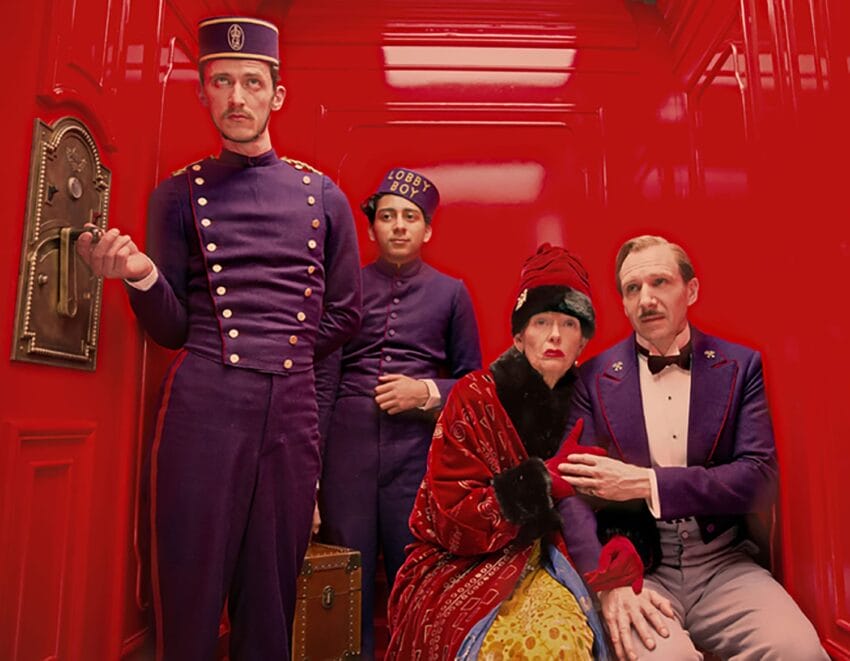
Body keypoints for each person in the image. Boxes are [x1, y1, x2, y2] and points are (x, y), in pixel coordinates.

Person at [76, 16, 362, 660]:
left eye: (251, 82)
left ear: (276, 94)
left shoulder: (326, 197)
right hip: (203, 403)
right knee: (190, 589)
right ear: (203, 92)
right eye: (221, 81)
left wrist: (277, 355)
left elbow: (345, 315)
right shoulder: (176, 196)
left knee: (271, 595)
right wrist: (140, 274)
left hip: (291, 412)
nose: (237, 97)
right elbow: (173, 328)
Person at [558, 234, 827, 660]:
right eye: (633, 289)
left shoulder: (740, 365)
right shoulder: (591, 378)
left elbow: (759, 479)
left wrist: (648, 484)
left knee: (800, 651)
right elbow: (571, 491)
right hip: (641, 568)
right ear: (624, 304)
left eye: (660, 282)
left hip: (725, 565)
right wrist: (606, 584)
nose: (647, 299)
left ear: (691, 290)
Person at [386, 244, 649, 660]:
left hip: (556, 558)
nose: (555, 335)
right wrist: (539, 483)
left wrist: (620, 542)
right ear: (519, 333)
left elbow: (619, 493)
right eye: (541, 321)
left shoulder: (599, 399)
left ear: (584, 340)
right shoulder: (474, 397)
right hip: (462, 565)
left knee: (558, 642)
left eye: (569, 323)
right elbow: (453, 516)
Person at [316, 167, 482, 657]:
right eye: (387, 216)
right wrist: (314, 471)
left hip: (418, 460)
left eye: (410, 217)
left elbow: (475, 389)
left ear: (427, 229)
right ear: (371, 229)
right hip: (347, 454)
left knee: (415, 582)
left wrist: (425, 391)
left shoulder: (452, 293)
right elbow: (322, 381)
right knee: (348, 580)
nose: (399, 225)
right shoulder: (343, 287)